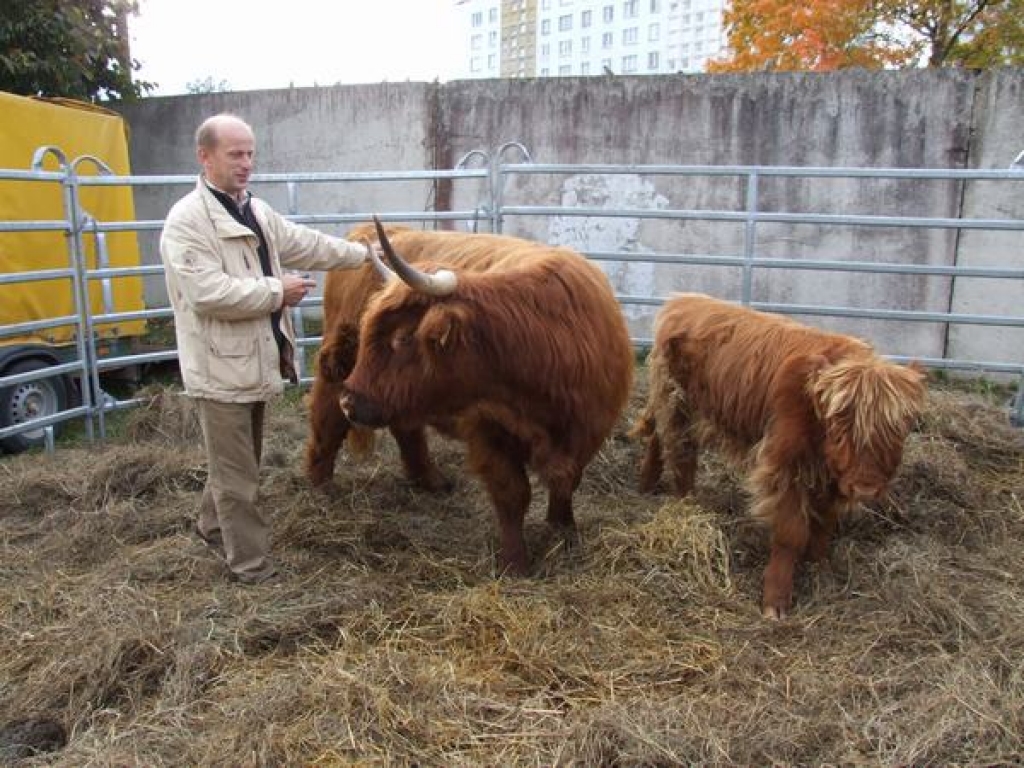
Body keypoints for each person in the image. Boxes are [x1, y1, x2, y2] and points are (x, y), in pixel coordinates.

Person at [160, 113, 373, 584]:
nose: (247, 163)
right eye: (235, 154)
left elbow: (304, 242)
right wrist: (278, 292)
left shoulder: (252, 210)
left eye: (251, 153)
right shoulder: (187, 222)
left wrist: (364, 254)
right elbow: (207, 293)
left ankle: (210, 527)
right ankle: (251, 567)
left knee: (237, 462)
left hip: (252, 363)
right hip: (218, 371)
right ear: (205, 156)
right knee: (239, 478)